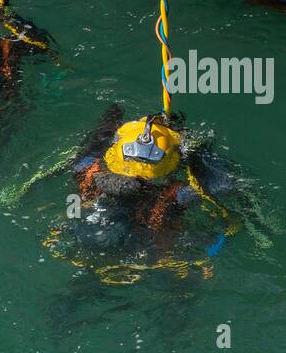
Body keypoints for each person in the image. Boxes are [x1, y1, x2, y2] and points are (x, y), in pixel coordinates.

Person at [51, 105, 245, 281]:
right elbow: (224, 187)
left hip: (111, 259)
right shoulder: (169, 200)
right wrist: (197, 152)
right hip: (155, 264)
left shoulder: (86, 171)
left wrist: (111, 119)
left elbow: (100, 140)